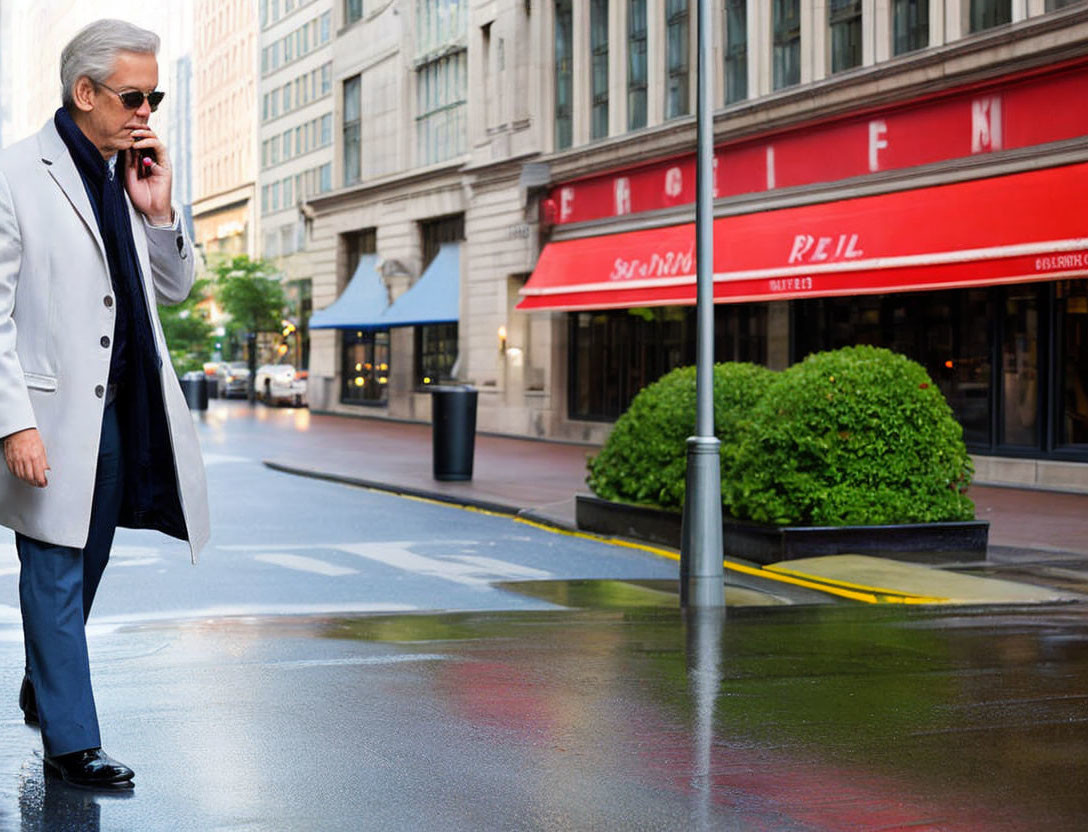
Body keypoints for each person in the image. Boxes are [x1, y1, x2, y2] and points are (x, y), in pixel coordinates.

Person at [0, 19, 210, 789]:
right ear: (84, 92)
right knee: (53, 567)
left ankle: (47, 680)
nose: (146, 110)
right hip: (48, 416)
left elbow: (174, 289)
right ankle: (71, 743)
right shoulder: (16, 173)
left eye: (154, 95)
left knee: (86, 562)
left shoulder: (130, 175)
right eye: (132, 95)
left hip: (118, 411)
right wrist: (13, 420)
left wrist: (157, 211)